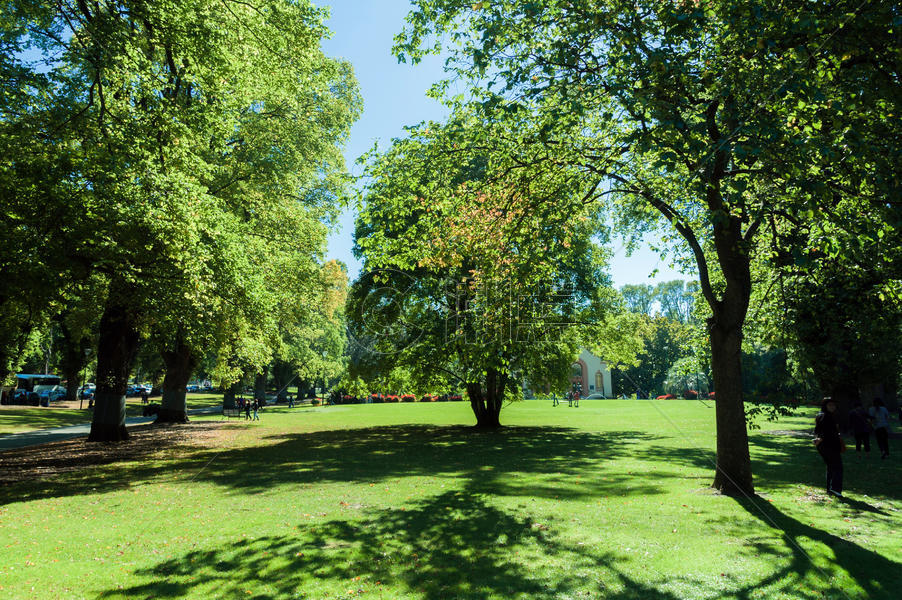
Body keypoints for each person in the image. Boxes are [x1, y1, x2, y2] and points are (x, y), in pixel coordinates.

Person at [813, 397, 844, 497]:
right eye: (830, 405)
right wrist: (820, 439)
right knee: (838, 467)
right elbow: (825, 432)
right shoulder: (826, 416)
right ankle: (835, 488)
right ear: (825, 406)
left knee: (831, 466)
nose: (832, 407)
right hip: (829, 445)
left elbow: (817, 431)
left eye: (833, 405)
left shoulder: (820, 415)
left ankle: (830, 489)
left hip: (824, 445)